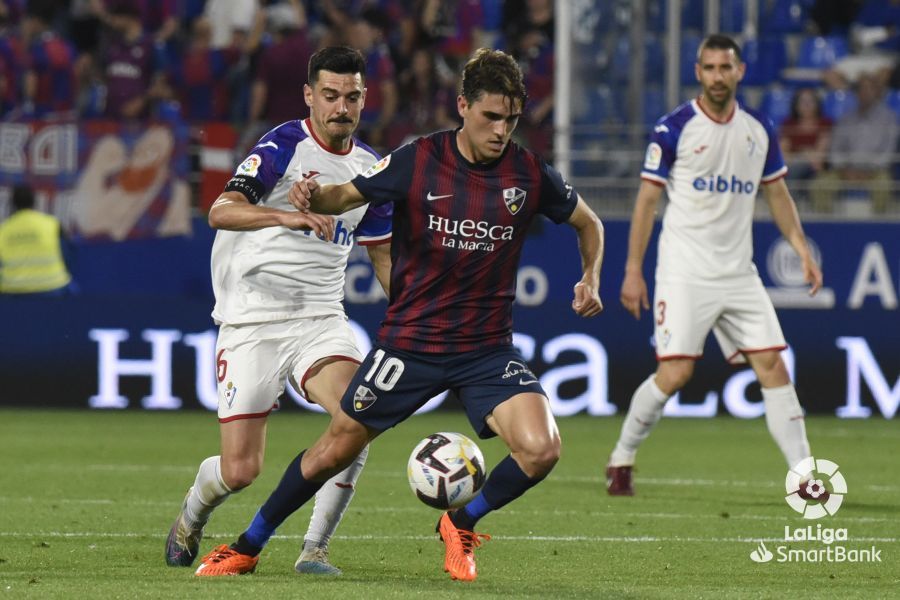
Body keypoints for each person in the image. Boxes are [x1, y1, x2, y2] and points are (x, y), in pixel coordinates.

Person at [193, 47, 604, 581]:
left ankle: (461, 523)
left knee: (542, 449)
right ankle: (248, 545)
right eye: (490, 117)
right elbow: (344, 195)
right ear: (463, 106)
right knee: (332, 449)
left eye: (511, 119)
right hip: (411, 344)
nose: (501, 130)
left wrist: (590, 276)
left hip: (486, 350)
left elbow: (588, 222)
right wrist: (309, 196)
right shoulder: (418, 159)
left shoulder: (529, 174)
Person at [164, 46, 392, 576]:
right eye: (330, 95)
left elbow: (382, 254)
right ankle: (192, 514)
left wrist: (411, 312)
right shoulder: (283, 144)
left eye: (352, 97)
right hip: (251, 318)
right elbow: (221, 211)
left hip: (319, 317)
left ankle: (314, 549)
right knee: (241, 470)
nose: (341, 107)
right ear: (310, 95)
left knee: (357, 417)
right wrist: (283, 218)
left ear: (364, 99)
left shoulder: (372, 173)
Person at [605, 35, 823, 497]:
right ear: (698, 72)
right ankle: (621, 457)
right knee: (675, 375)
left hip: (738, 273)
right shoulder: (674, 129)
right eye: (709, 68)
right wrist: (632, 270)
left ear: (740, 71)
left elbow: (777, 193)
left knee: (772, 365)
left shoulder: (758, 128)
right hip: (684, 273)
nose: (718, 77)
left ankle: (805, 478)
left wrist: (801, 248)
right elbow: (647, 201)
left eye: (726, 67)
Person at [813, 73, 899, 213]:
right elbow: (835, 150)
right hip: (845, 170)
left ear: (876, 92)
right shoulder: (846, 119)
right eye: (861, 89)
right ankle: (826, 230)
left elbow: (888, 153)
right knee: (820, 184)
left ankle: (878, 230)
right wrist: (845, 169)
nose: (864, 93)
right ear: (856, 93)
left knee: (884, 185)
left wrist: (868, 170)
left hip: (876, 171)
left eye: (869, 89)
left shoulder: (889, 119)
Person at [0, 185, 74, 296]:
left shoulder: (3, 230)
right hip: (53, 288)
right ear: (34, 202)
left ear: (12, 205)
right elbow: (68, 255)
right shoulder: (52, 224)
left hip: (13, 290)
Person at [779, 88, 832, 181]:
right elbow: (783, 155)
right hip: (792, 166)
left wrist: (798, 154)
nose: (806, 105)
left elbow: (818, 160)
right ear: (796, 105)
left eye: (810, 101)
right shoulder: (789, 124)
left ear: (817, 104)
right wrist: (805, 153)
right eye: (802, 101)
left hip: (815, 170)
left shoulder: (825, 124)